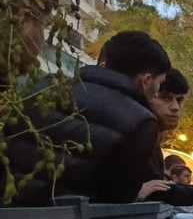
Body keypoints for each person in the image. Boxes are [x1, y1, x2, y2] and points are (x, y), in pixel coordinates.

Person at [8, 30, 168, 205]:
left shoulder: (43, 88)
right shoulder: (142, 122)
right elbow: (120, 196)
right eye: (159, 84)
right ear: (146, 81)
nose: (157, 93)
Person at [138, 68, 193, 211]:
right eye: (165, 98)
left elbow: (157, 187)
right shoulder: (138, 134)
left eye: (179, 100)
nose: (175, 107)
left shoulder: (153, 139)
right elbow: (152, 190)